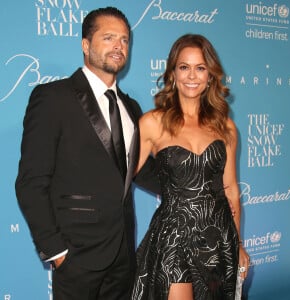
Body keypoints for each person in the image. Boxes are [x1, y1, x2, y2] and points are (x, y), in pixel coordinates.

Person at [15, 7, 159, 300]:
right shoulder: (53, 97)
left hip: (122, 255)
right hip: (76, 256)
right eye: (108, 38)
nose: (119, 46)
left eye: (124, 40)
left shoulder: (131, 108)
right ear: (85, 44)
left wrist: (197, 186)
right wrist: (57, 251)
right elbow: (31, 182)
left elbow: (139, 170)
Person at [131, 34, 250, 300]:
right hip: (174, 236)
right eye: (184, 67)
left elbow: (231, 191)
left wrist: (238, 244)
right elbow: (123, 178)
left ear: (210, 75)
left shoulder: (226, 127)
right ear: (173, 73)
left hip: (217, 235)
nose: (192, 76)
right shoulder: (153, 123)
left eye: (200, 68)